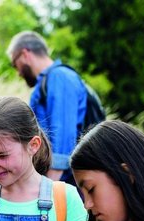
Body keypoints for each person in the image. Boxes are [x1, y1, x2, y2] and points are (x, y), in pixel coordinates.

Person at [7, 31, 87, 185]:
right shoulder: (46, 83)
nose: (17, 72)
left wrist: (47, 193)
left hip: (65, 185)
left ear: (25, 54)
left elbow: (62, 144)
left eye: (14, 63)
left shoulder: (59, 77)